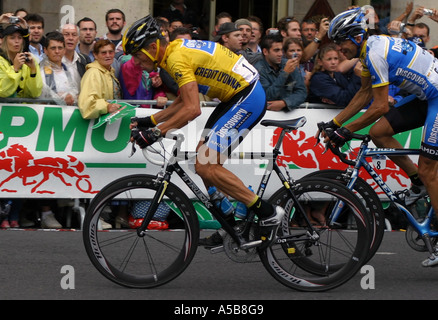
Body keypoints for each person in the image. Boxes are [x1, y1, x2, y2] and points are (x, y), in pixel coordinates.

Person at [124, 16, 286, 248]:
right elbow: (183, 100)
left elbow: (192, 109)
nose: (136, 62)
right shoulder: (174, 53)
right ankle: (230, 223)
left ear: (152, 48)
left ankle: (268, 211)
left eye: (137, 55)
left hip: (247, 97)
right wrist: (149, 120)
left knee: (206, 164)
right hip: (234, 98)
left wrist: (157, 132)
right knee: (201, 159)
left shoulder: (176, 59)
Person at [319, 7, 438, 267]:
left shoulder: (373, 53)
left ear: (357, 37)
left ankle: (424, 182)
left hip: (436, 98)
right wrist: (335, 122)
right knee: (379, 132)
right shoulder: (368, 50)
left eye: (342, 43)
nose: (340, 50)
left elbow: (380, 106)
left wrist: (346, 131)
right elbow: (364, 95)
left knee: (431, 171)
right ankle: (416, 182)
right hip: (426, 97)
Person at [254, 34, 306, 111]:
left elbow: (302, 92)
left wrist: (284, 103)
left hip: (289, 113)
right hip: (266, 114)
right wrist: (284, 73)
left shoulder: (289, 64)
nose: (280, 54)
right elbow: (267, 96)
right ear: (265, 51)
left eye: (281, 50)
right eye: (276, 50)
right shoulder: (258, 70)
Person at [78, 39, 121, 119]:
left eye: (110, 52)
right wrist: (107, 107)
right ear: (95, 55)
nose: (108, 55)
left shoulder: (109, 71)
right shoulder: (93, 73)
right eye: (103, 53)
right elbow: (87, 105)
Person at [0, 18, 42, 98]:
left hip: (23, 109)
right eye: (12, 38)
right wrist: (14, 69)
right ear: (5, 41)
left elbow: (35, 93)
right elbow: (3, 92)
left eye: (20, 38)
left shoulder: (29, 59)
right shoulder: (1, 61)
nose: (17, 41)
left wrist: (33, 72)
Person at [40, 31, 79, 105]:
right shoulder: (40, 73)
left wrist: (72, 97)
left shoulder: (72, 71)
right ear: (45, 50)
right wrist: (61, 98)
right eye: (53, 48)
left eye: (60, 48)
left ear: (64, 50)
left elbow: (78, 93)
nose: (57, 51)